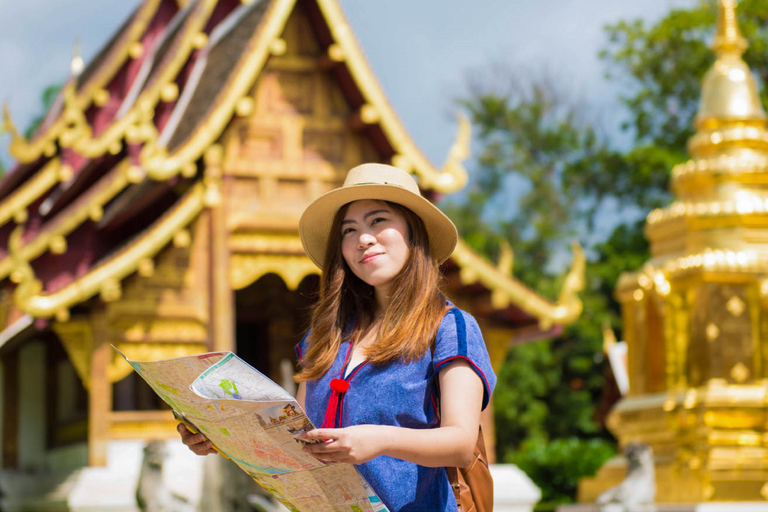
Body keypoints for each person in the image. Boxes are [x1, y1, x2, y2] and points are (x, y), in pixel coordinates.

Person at [179, 163, 496, 511]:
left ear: (412, 233)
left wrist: (379, 441)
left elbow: (461, 442)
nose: (363, 238)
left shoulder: (449, 327)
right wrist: (222, 435)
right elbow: (297, 440)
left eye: (378, 221)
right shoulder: (327, 335)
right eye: (349, 230)